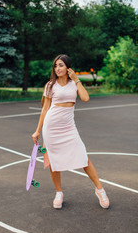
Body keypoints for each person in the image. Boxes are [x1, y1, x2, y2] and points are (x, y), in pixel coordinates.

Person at [32, 54, 110, 209]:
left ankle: (100, 190)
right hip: (51, 127)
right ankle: (59, 193)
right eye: (55, 66)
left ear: (68, 66)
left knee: (84, 157)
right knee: (54, 162)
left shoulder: (74, 84)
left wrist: (77, 79)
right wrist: (37, 131)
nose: (58, 68)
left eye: (61, 65)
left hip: (69, 127)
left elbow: (86, 98)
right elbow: (45, 109)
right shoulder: (50, 85)